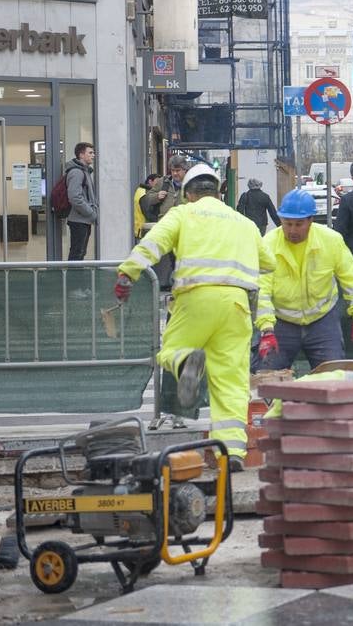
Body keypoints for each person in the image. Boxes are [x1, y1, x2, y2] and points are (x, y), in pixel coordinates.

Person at [114, 163, 274, 472]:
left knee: (171, 350)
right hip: (237, 306)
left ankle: (187, 362)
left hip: (195, 299)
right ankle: (232, 454)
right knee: (230, 382)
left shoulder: (182, 214)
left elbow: (153, 244)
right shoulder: (244, 223)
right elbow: (267, 264)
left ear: (188, 194)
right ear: (218, 192)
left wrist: (127, 274)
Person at [255, 188, 353, 372]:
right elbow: (262, 290)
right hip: (281, 322)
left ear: (311, 220)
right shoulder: (268, 244)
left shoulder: (331, 241)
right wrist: (267, 330)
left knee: (333, 378)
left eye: (299, 224)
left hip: (322, 320)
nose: (292, 230)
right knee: (267, 378)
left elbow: (351, 279)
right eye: (287, 223)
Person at [142, 155, 190, 289]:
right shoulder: (163, 182)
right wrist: (157, 197)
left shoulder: (191, 184)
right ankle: (168, 282)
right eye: (173, 170)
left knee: (181, 255)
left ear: (185, 170)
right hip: (165, 225)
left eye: (178, 170)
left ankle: (179, 282)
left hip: (184, 226)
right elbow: (147, 199)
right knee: (167, 255)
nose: (175, 173)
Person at [65, 142, 97, 261]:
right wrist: (90, 212)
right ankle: (72, 279)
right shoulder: (76, 172)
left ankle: (74, 278)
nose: (93, 155)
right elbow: (75, 197)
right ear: (81, 155)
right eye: (90, 152)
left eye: (93, 152)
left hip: (83, 220)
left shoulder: (85, 171)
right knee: (77, 254)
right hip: (79, 220)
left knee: (80, 253)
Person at [132, 173, 159, 239]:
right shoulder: (144, 194)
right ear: (150, 181)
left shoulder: (141, 190)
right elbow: (148, 214)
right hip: (143, 230)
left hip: (140, 230)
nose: (158, 185)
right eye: (157, 182)